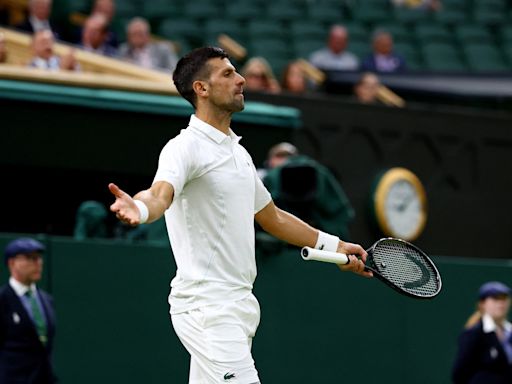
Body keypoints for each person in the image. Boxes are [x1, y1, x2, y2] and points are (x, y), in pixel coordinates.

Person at [108, 46, 372, 384]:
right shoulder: (183, 147)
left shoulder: (239, 154)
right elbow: (160, 194)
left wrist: (336, 246)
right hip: (208, 309)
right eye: (228, 74)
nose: (241, 79)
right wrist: (141, 208)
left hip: (240, 305)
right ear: (201, 89)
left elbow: (272, 217)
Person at [0, 237, 57, 383]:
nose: (38, 263)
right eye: (30, 258)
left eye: (39, 258)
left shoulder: (46, 300)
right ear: (12, 263)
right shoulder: (2, 299)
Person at [452, 281, 512, 384]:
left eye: (504, 298)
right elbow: (459, 374)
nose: (501, 302)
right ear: (482, 304)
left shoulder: (509, 332)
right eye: (495, 298)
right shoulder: (473, 334)